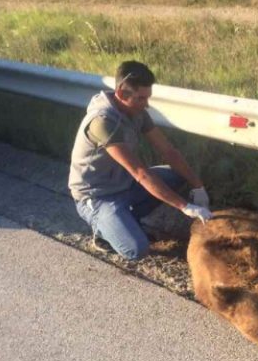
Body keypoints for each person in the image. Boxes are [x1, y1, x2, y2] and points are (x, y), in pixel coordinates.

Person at [68, 60, 212, 260]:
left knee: (175, 176)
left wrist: (198, 186)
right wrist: (184, 206)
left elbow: (169, 152)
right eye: (141, 98)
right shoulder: (103, 122)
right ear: (121, 93)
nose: (146, 104)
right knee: (136, 250)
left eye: (147, 97)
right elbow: (140, 173)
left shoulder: (137, 113)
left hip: (125, 184)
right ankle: (102, 231)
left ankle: (127, 220)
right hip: (98, 196)